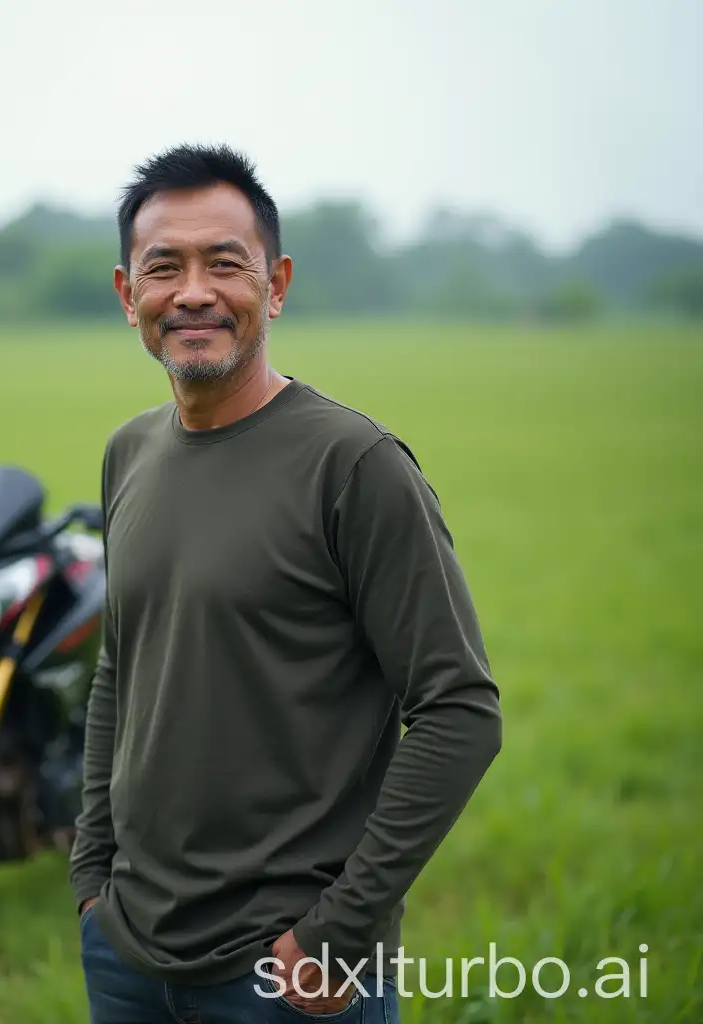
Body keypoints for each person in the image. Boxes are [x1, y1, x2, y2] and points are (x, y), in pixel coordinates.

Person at [68, 143, 502, 1023]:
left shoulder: (354, 467)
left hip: (288, 974)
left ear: (277, 284)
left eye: (225, 263)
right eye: (165, 267)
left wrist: (335, 938)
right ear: (128, 295)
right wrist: (90, 875)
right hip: (126, 954)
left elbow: (460, 711)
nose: (193, 291)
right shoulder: (128, 453)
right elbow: (124, 665)